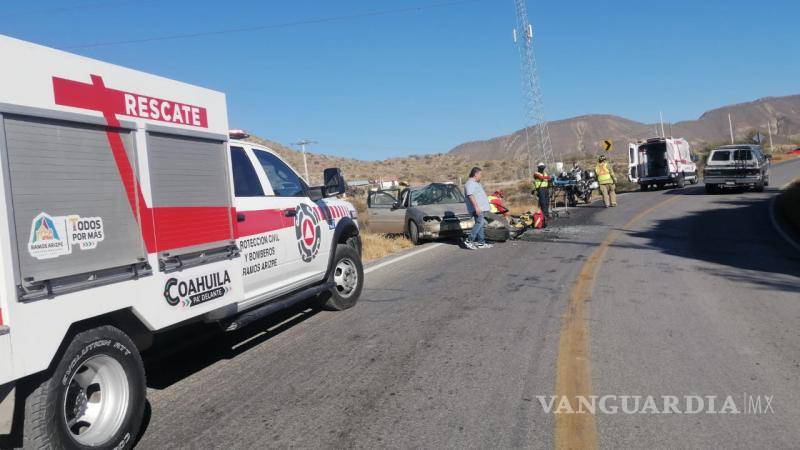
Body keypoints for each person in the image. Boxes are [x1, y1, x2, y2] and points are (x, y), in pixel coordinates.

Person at [463, 167, 493, 250]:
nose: (481, 176)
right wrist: (476, 207)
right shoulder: (470, 183)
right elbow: (470, 195)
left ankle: (481, 243)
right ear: (475, 174)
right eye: (480, 174)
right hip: (477, 208)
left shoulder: (475, 183)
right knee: (479, 223)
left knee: (480, 224)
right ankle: (469, 240)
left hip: (480, 208)